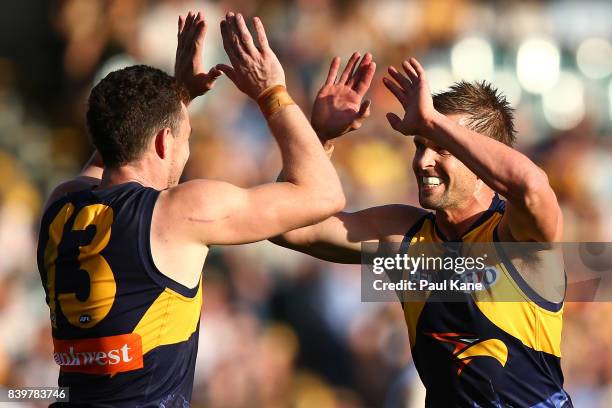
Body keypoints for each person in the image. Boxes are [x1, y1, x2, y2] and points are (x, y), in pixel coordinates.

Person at [36, 11, 345, 406]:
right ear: (165, 141)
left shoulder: (62, 202)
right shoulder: (177, 213)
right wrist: (272, 91)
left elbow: (117, 143)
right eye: (187, 138)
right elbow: (324, 195)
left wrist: (177, 95)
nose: (187, 151)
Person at [272, 54, 572, 407]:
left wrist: (430, 119)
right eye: (420, 145)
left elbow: (532, 185)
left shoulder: (518, 239)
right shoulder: (405, 237)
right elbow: (287, 227)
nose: (422, 161)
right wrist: (318, 138)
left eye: (441, 148)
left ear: (480, 161)